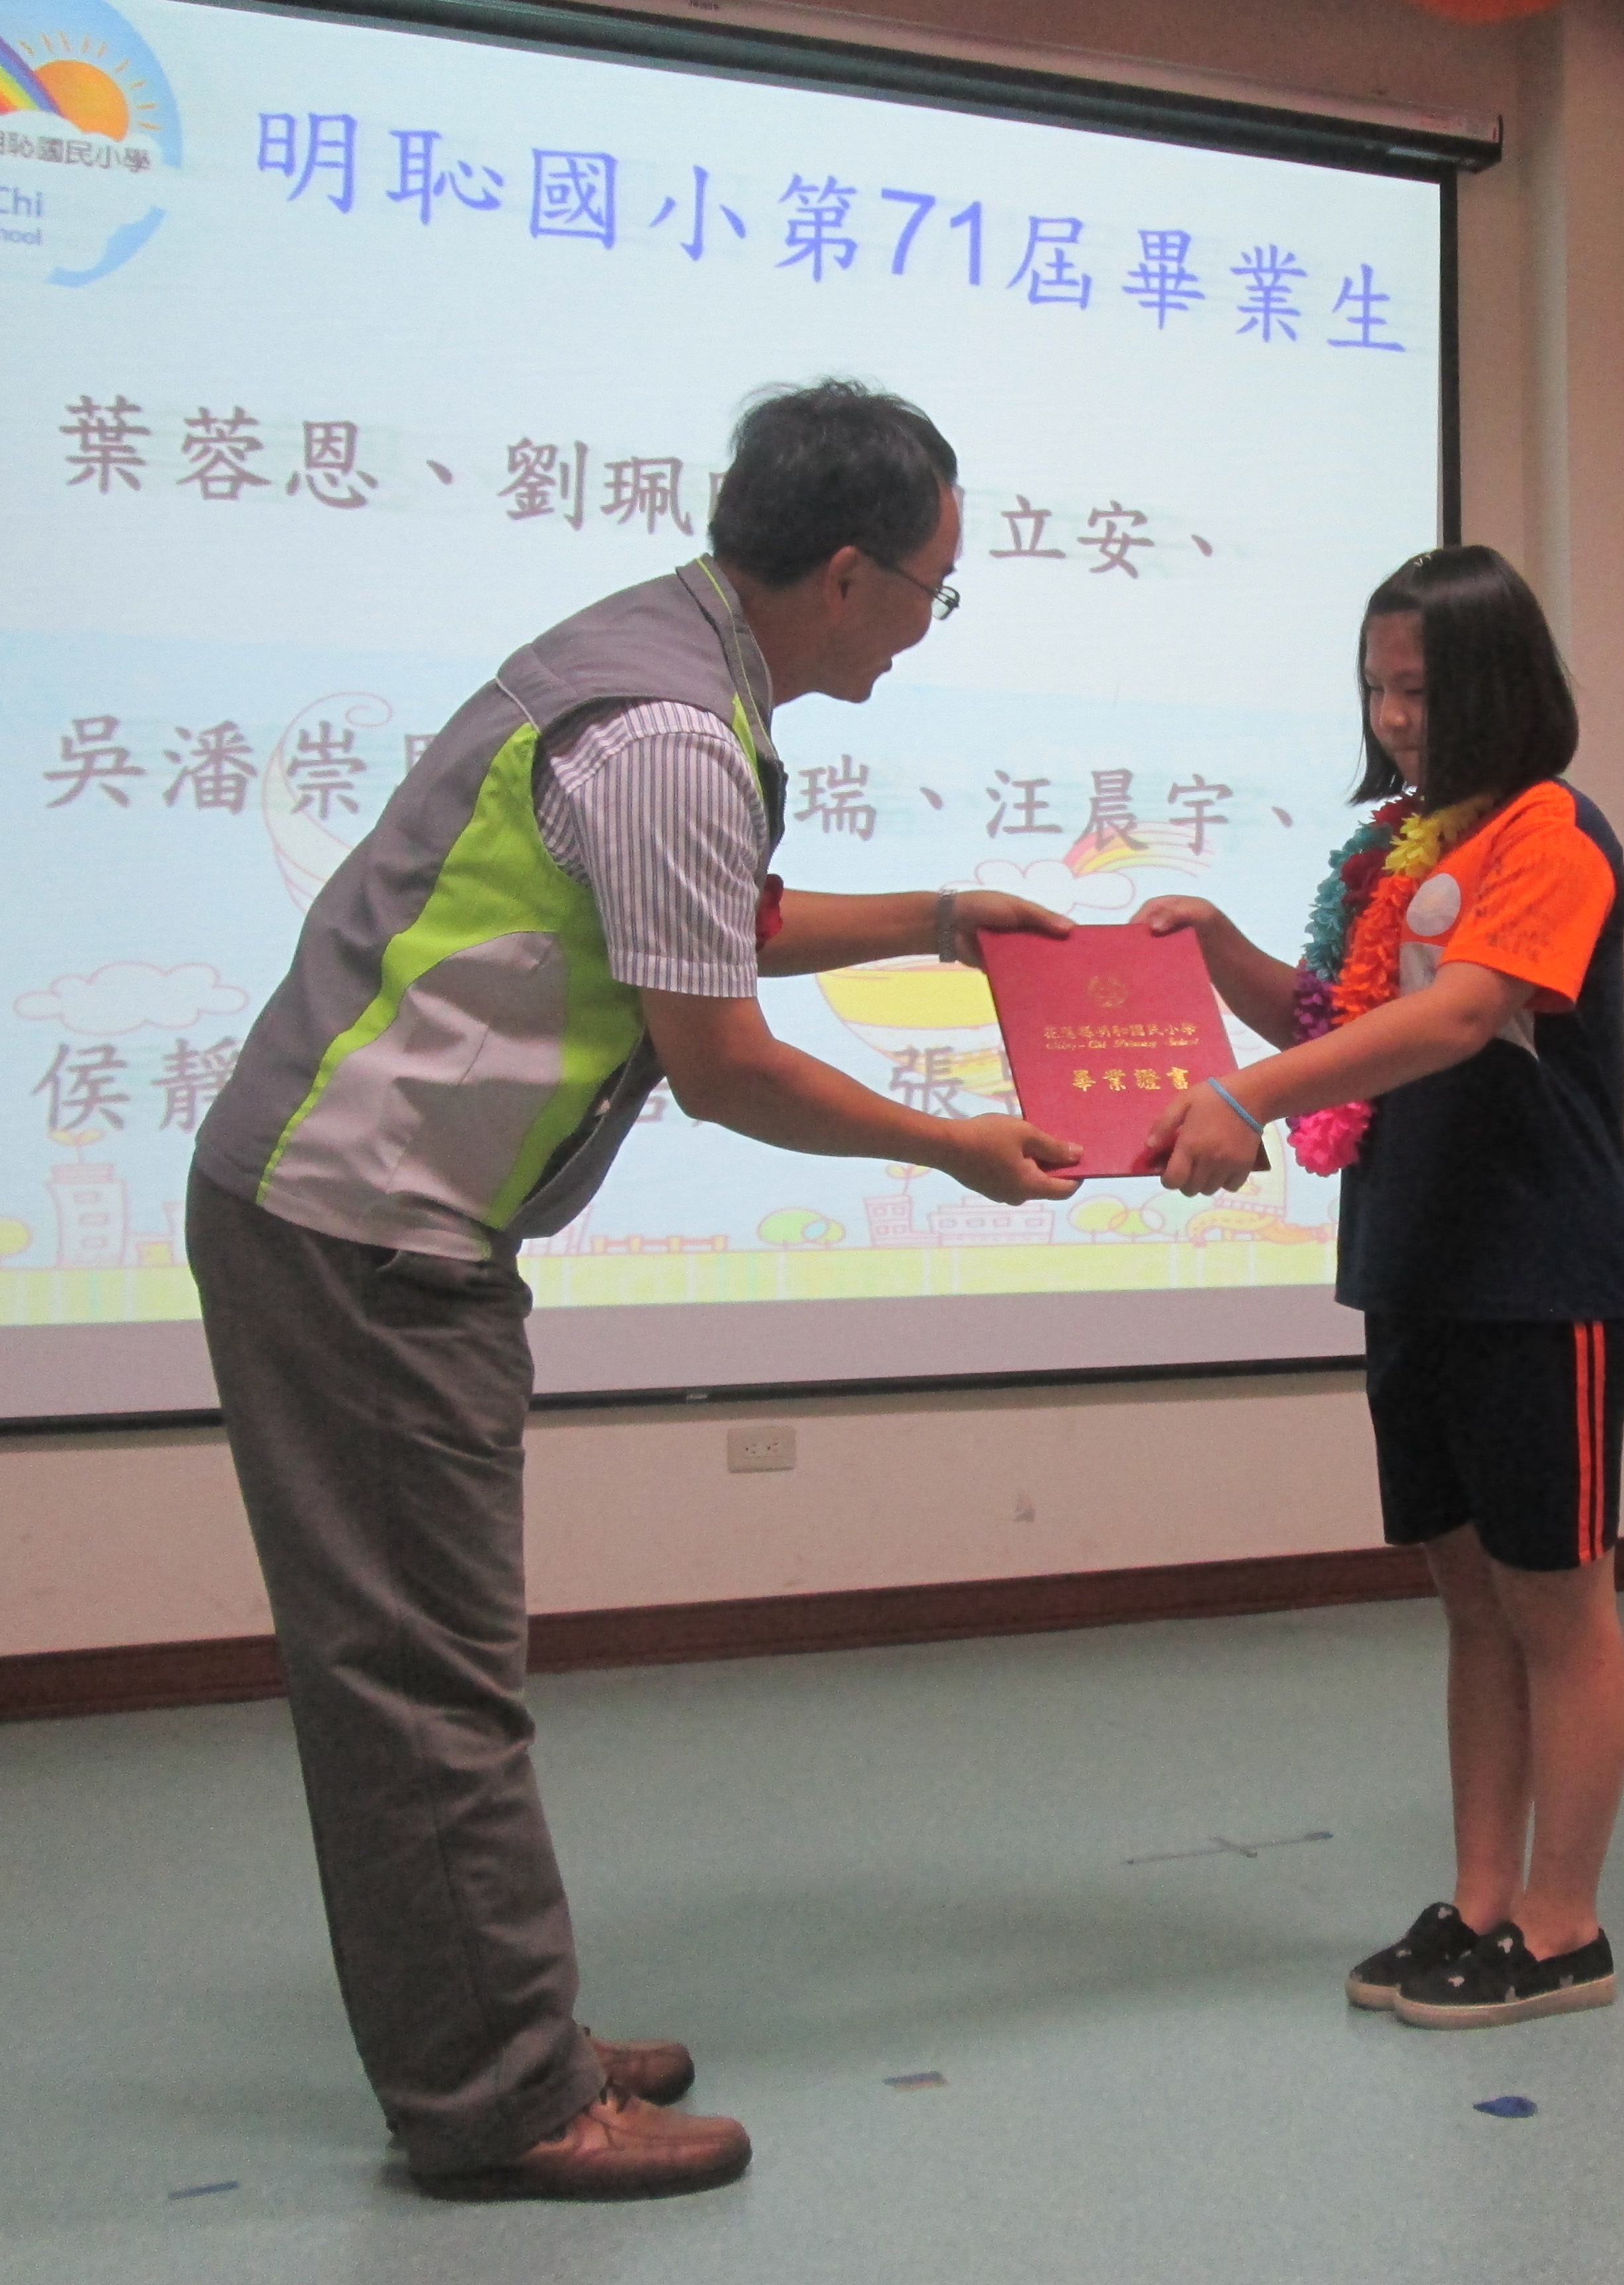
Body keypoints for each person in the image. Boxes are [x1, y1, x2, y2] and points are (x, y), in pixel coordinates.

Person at [186, 380, 1082, 2199]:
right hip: (362, 1231)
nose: (927, 627)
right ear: (846, 573)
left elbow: (706, 915)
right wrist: (951, 1146)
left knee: (438, 1667)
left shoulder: (664, 663)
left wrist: (942, 919)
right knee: (424, 1685)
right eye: (933, 590)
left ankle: (505, 2024)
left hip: (383, 1221)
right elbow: (723, 1060)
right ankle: (503, 2099)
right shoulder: (672, 729)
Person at [1136, 545, 1624, 2028]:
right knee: (1473, 1603)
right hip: (1417, 1262)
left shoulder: (1552, 836)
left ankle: (1564, 1926)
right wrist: (1219, 951)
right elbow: (1342, 1021)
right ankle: (1480, 1901)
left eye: (1419, 688)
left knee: (1558, 1604)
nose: (1394, 716)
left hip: (1538, 1270)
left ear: (1497, 684)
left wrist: (1243, 1096)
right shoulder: (1403, 848)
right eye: (1377, 688)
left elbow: (1464, 1016)